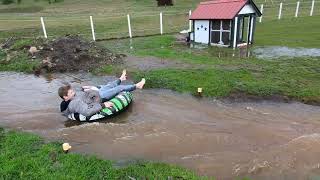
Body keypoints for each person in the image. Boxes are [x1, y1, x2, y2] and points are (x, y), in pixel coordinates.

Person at [58, 70, 145, 117]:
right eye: (71, 92)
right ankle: (137, 86)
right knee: (117, 89)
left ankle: (121, 79)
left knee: (108, 86)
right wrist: (103, 105)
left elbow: (81, 95)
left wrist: (85, 88)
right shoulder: (74, 103)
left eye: (73, 91)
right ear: (65, 97)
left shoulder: (71, 99)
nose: (74, 92)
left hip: (95, 95)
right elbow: (87, 112)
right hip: (99, 98)